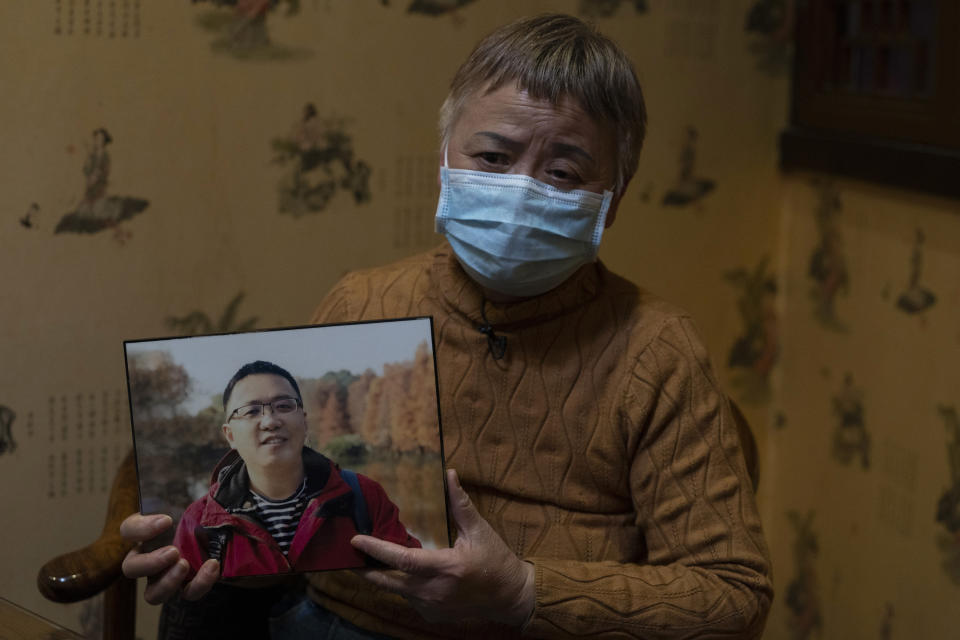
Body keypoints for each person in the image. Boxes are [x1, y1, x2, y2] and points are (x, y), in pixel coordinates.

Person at [122, 13, 772, 639]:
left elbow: (733, 597)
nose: (520, 190)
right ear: (444, 162)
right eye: (493, 156)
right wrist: (201, 548)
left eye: (563, 172)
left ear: (612, 200)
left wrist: (523, 591)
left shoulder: (657, 351)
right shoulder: (365, 302)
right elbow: (289, 514)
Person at [172, 360, 420, 580]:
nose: (270, 421)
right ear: (230, 436)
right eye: (251, 411)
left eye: (284, 406)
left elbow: (416, 580)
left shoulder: (363, 496)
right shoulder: (201, 521)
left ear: (304, 421)